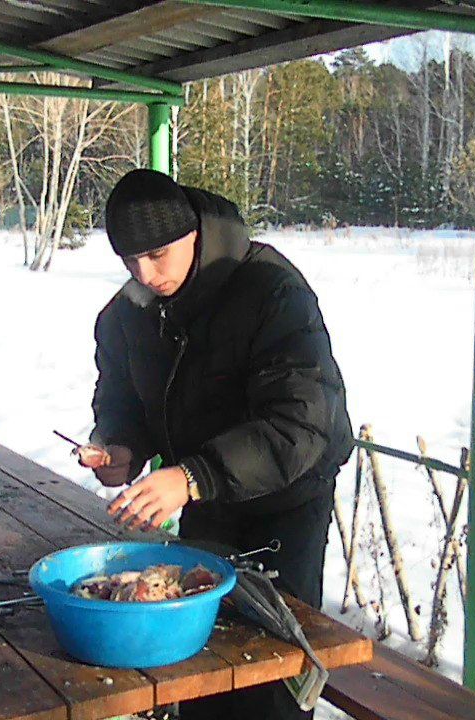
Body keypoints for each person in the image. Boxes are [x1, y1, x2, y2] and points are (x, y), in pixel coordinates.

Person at [79, 168, 352, 720]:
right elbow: (122, 395)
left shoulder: (270, 289)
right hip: (204, 497)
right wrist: (120, 445)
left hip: (285, 504)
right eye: (128, 260)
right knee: (199, 665)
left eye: (156, 255)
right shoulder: (130, 309)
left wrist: (191, 477)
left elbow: (300, 423)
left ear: (193, 234)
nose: (144, 274)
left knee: (269, 668)